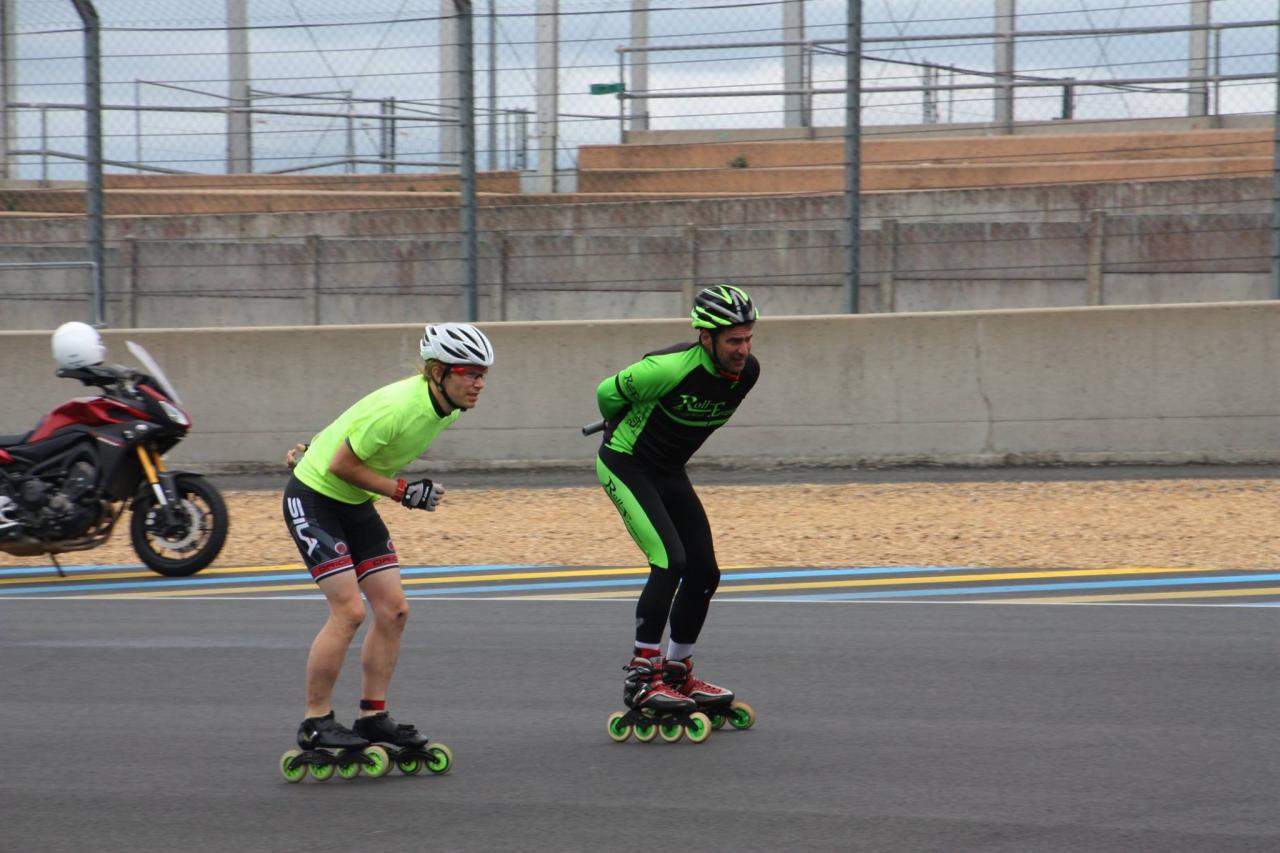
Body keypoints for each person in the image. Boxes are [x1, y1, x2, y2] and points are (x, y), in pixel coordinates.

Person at [281, 322, 494, 756]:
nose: (479, 382)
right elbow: (342, 463)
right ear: (438, 372)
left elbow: (354, 419)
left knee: (393, 610)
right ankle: (316, 721)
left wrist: (311, 442)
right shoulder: (403, 407)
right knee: (349, 611)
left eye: (483, 373)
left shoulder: (447, 407)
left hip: (353, 501)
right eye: (469, 372)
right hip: (315, 497)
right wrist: (403, 492)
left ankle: (372, 716)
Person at [593, 284, 760, 723]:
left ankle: (677, 670)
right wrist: (618, 421)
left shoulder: (748, 373)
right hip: (627, 463)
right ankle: (642, 676)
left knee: (705, 571)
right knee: (669, 561)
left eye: (747, 338)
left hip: (668, 470)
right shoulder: (664, 369)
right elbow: (606, 393)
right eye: (733, 341)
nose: (742, 349)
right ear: (706, 338)